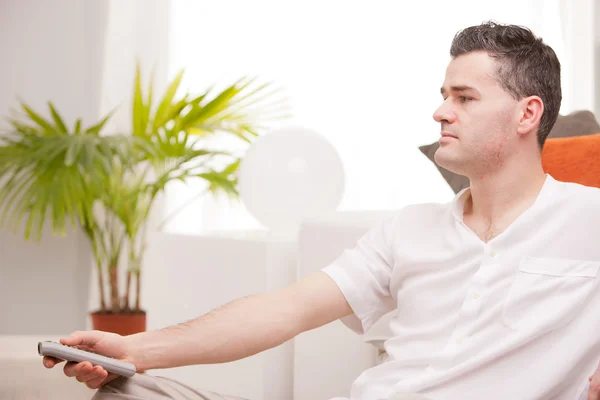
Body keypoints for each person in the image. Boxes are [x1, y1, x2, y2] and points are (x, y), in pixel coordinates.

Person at [44, 21, 600, 400]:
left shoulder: (587, 220)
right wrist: (135, 349)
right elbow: (283, 310)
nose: (439, 112)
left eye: (464, 98)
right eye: (443, 94)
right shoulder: (409, 229)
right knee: (127, 389)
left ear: (528, 113)